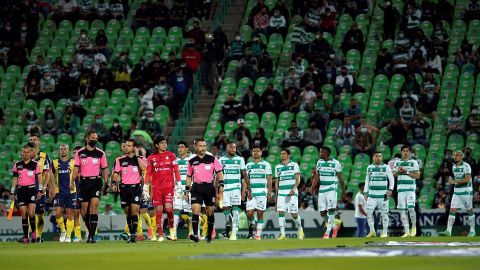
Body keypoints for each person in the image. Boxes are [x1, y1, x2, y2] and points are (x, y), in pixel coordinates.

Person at [71, 131, 109, 243]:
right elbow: (76, 169)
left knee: (94, 207)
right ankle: (90, 231)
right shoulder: (80, 153)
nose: (95, 139)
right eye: (92, 137)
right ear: (87, 139)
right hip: (84, 183)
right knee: (84, 212)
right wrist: (72, 182)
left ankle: (92, 236)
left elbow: (104, 169)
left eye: (96, 138)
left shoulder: (101, 153)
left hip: (96, 182)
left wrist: (106, 183)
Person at [184, 139, 224, 243]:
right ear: (196, 147)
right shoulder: (192, 161)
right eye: (201, 146)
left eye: (204, 146)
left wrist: (221, 184)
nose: (203, 148)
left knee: (209, 212)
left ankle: (210, 235)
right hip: (196, 187)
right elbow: (188, 177)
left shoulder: (212, 159)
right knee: (195, 210)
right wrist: (186, 190)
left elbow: (219, 172)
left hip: (209, 187)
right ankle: (196, 235)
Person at [111, 139, 146, 243]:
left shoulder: (140, 159)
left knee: (134, 211)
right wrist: (113, 183)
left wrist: (137, 157)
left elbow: (144, 169)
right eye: (125, 145)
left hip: (136, 188)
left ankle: (133, 235)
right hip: (124, 188)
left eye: (129, 146)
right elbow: (116, 172)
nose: (126, 147)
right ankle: (131, 233)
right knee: (128, 213)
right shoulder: (120, 160)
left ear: (134, 148)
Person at [439, 150, 476, 237]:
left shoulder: (466, 166)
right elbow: (455, 180)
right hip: (456, 192)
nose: (455, 157)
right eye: (454, 155)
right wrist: (452, 181)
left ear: (462, 156)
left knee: (469, 210)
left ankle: (473, 231)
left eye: (457, 155)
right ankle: (448, 231)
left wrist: (454, 181)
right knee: (452, 210)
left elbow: (467, 179)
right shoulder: (454, 167)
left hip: (466, 191)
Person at [11, 144, 42, 244]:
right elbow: (15, 178)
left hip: (31, 190)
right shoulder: (17, 165)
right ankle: (25, 236)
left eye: (27, 152)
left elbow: (39, 178)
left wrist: (40, 190)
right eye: (24, 152)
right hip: (21, 191)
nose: (25, 154)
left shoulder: (35, 164)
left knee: (31, 213)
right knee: (24, 214)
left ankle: (33, 234)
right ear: (21, 153)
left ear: (30, 153)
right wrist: (12, 191)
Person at [311, 146, 345, 239]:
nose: (320, 153)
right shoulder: (319, 162)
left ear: (327, 153)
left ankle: (327, 233)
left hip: (332, 188)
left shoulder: (335, 163)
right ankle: (334, 227)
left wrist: (343, 192)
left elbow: (341, 179)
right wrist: (312, 187)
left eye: (321, 152)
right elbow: (317, 176)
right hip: (322, 189)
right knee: (322, 212)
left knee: (330, 210)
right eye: (320, 152)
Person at [218, 142, 250, 240]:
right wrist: (217, 189)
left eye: (234, 147)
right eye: (230, 147)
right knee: (226, 209)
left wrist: (248, 188)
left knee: (235, 209)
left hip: (236, 188)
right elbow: (219, 175)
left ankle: (234, 232)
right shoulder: (221, 160)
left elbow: (244, 175)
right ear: (227, 148)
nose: (233, 148)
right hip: (225, 189)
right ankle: (230, 224)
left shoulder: (240, 159)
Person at [273, 148, 304, 240]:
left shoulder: (294, 165)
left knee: (294, 214)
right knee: (281, 212)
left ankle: (300, 228)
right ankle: (283, 234)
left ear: (289, 155)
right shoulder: (277, 167)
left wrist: (294, 188)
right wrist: (277, 194)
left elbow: (298, 179)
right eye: (281, 153)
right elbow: (276, 182)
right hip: (282, 193)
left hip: (292, 193)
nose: (282, 155)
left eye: (284, 153)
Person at [29, 134, 54, 243]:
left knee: (39, 212)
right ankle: (33, 235)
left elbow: (49, 173)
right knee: (30, 212)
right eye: (30, 140)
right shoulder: (26, 155)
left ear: (39, 141)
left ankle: (38, 235)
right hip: (28, 188)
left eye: (34, 139)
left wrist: (49, 187)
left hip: (40, 189)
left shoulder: (44, 156)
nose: (33, 141)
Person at [365, 152, 395, 238]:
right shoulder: (369, 167)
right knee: (369, 212)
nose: (378, 158)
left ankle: (384, 232)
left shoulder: (386, 167)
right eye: (376, 156)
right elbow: (367, 180)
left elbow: (392, 179)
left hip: (383, 196)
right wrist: (365, 192)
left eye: (380, 156)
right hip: (372, 196)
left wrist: (390, 189)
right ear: (373, 157)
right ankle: (372, 231)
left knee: (384, 214)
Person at [393, 145, 420, 237]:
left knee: (411, 208)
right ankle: (406, 231)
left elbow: (418, 176)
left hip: (410, 189)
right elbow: (392, 176)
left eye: (407, 151)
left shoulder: (414, 163)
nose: (405, 152)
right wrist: (398, 172)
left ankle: (414, 228)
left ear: (409, 153)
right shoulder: (397, 163)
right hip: (401, 190)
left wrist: (406, 171)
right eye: (404, 151)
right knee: (402, 211)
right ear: (401, 152)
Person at [245, 145, 272, 240]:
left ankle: (258, 234)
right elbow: (246, 180)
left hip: (262, 192)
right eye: (253, 151)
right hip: (251, 192)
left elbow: (269, 180)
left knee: (260, 212)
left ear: (261, 153)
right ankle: (256, 223)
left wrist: (269, 193)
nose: (255, 152)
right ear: (252, 153)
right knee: (249, 214)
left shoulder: (266, 165)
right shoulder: (248, 165)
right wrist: (244, 191)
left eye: (257, 151)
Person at [52, 144, 77, 242]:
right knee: (58, 213)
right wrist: (52, 187)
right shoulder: (54, 163)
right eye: (61, 149)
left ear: (68, 150)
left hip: (71, 191)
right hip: (59, 192)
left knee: (69, 213)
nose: (63, 151)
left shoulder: (74, 162)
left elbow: (78, 176)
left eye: (65, 149)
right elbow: (49, 176)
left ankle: (68, 236)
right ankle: (63, 231)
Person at [172, 141, 194, 239]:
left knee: (189, 210)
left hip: (189, 188)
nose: (179, 149)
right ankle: (174, 234)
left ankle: (191, 232)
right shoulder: (175, 161)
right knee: (176, 209)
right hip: (178, 189)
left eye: (182, 147)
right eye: (178, 147)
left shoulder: (191, 159)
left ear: (186, 149)